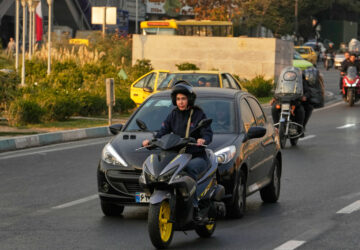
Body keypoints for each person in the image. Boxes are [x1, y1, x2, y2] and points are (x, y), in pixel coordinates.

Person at [142, 80, 213, 222]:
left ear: (189, 99)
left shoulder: (198, 114)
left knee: (190, 169)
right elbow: (163, 131)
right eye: (178, 99)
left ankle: (195, 206)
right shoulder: (173, 115)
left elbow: (207, 132)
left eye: (183, 99)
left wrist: (203, 140)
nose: (181, 102)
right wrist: (151, 140)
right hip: (177, 155)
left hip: (196, 155)